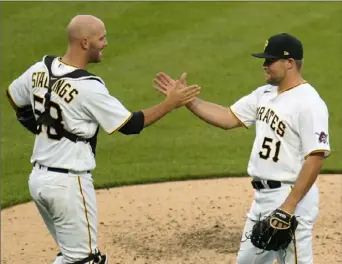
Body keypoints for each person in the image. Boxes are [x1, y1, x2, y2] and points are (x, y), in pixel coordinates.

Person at [6, 15, 200, 264]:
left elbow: (15, 99)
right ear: (85, 43)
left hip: (39, 180)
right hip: (68, 183)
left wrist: (43, 127)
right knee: (86, 260)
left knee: (72, 256)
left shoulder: (40, 68)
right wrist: (170, 103)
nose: (106, 43)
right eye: (101, 38)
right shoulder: (89, 86)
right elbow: (130, 125)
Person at [153, 33, 331, 264]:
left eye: (270, 60)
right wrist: (188, 101)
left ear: (289, 63)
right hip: (262, 198)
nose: (264, 65)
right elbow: (228, 117)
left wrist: (288, 207)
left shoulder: (309, 103)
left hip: (290, 198)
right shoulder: (264, 94)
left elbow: (315, 157)